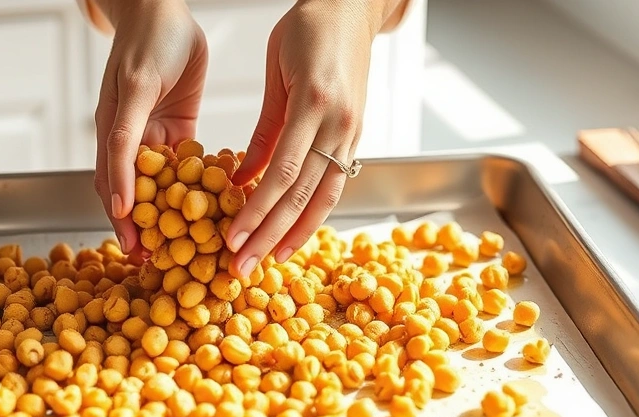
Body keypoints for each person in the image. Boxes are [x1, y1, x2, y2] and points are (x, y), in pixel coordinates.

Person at [78, 0, 413, 277]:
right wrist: (142, 7)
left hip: (337, 68)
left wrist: (353, 11)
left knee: (308, 183)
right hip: (156, 55)